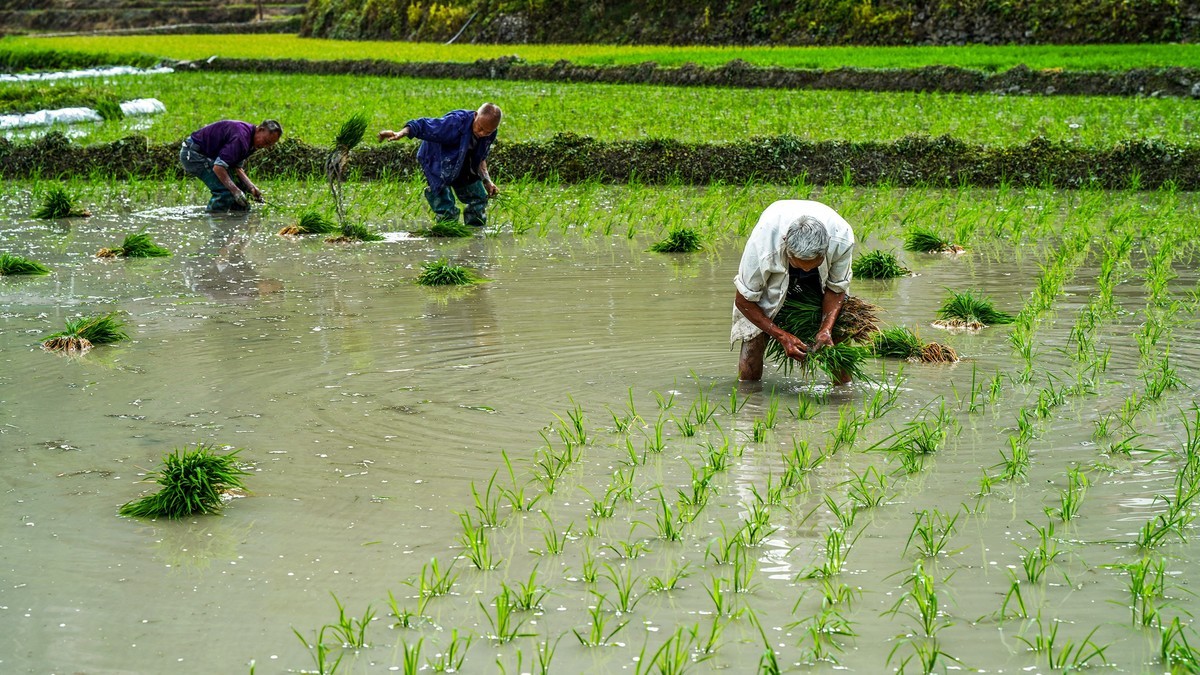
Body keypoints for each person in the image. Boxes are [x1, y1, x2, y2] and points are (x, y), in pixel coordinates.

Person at [732, 200, 855, 382]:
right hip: (773, 276)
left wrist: (825, 329)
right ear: (786, 246)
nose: (805, 270)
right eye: (800, 265)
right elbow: (744, 301)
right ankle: (749, 397)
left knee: (838, 337)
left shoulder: (841, 238)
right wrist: (782, 336)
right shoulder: (763, 246)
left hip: (820, 280)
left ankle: (843, 395)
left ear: (825, 250)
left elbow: (836, 288)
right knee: (753, 338)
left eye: (812, 265)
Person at [378, 103, 501, 228]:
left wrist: (487, 182)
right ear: (475, 116)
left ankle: (476, 234)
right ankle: (447, 235)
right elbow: (424, 125)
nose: (482, 133)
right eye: (480, 128)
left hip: (463, 162)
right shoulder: (454, 123)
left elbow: (481, 159)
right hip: (437, 160)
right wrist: (401, 133)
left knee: (479, 198)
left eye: (488, 131)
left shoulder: (490, 134)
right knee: (446, 207)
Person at [179, 119, 282, 212]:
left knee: (242, 191)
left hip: (210, 157)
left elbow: (237, 167)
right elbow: (218, 167)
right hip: (192, 154)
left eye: (269, 145)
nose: (265, 146)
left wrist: (251, 187)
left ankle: (236, 222)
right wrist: (235, 191)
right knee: (225, 191)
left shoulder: (252, 141)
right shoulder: (241, 138)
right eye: (266, 141)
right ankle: (215, 221)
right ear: (260, 130)